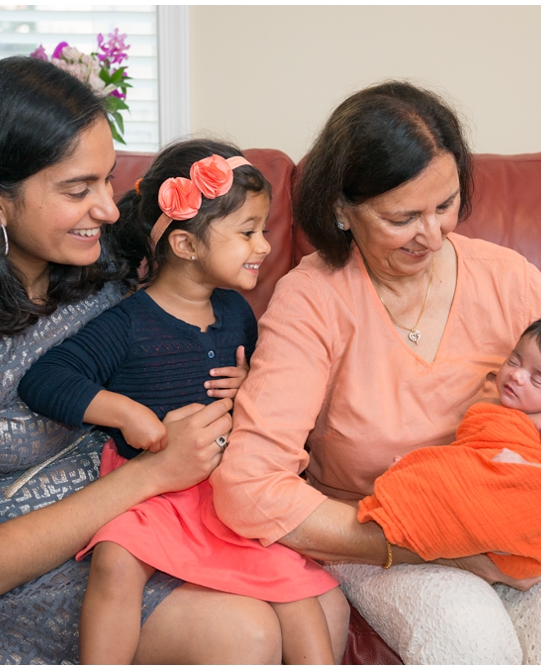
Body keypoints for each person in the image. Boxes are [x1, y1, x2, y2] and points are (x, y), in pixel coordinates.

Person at [0, 57, 299, 664]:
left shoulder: (101, 261)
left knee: (308, 607)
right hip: (16, 559)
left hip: (129, 504)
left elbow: (192, 292)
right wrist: (151, 474)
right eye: (78, 189)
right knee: (243, 633)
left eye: (106, 180)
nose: (109, 210)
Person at [210, 81, 541, 664]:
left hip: (538, 514)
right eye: (404, 217)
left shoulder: (511, 278)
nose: (434, 236)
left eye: (446, 206)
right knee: (470, 641)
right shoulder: (311, 300)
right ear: (341, 210)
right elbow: (250, 489)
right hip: (387, 527)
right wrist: (434, 545)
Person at [18, 140, 343, 664]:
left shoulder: (237, 312)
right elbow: (47, 379)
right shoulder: (126, 324)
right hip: (149, 487)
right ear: (187, 246)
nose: (263, 245)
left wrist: (248, 387)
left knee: (300, 592)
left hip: (224, 486)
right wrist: (128, 413)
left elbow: (275, 390)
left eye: (263, 229)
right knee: (116, 562)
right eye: (247, 232)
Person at [359, 314, 541, 581]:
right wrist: (421, 463)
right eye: (514, 360)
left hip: (519, 494)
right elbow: (466, 455)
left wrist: (526, 468)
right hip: (484, 488)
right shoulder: (488, 409)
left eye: (537, 379)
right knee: (439, 477)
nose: (516, 375)